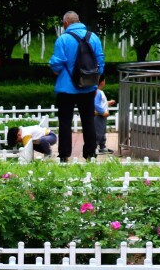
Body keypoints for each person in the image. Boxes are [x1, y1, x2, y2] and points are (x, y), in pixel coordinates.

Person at [48, 11, 104, 162]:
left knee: (65, 121)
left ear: (66, 23)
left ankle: (65, 155)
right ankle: (90, 154)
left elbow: (56, 63)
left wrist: (56, 70)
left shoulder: (63, 39)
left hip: (66, 88)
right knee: (88, 120)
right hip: (88, 87)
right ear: (79, 21)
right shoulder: (93, 37)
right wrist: (95, 79)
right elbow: (100, 61)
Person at [94, 76, 116, 154]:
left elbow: (101, 103)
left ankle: (102, 146)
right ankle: (94, 147)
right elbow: (96, 104)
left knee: (102, 132)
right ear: (102, 82)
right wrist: (103, 112)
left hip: (102, 116)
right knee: (98, 131)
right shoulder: (97, 92)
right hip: (98, 115)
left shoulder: (99, 92)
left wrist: (108, 103)